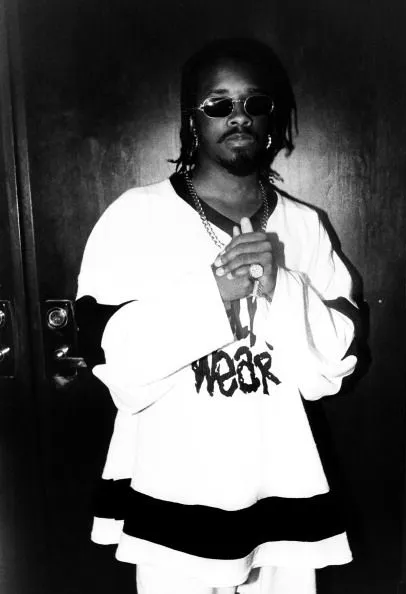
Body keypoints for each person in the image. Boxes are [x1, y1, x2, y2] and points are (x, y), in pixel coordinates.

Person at [75, 37, 358, 594]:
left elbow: (332, 366)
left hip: (281, 480)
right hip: (174, 483)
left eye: (255, 103)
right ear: (191, 119)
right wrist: (213, 295)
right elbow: (109, 357)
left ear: (272, 118)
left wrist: (284, 288)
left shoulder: (304, 226)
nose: (239, 117)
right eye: (218, 104)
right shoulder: (136, 216)